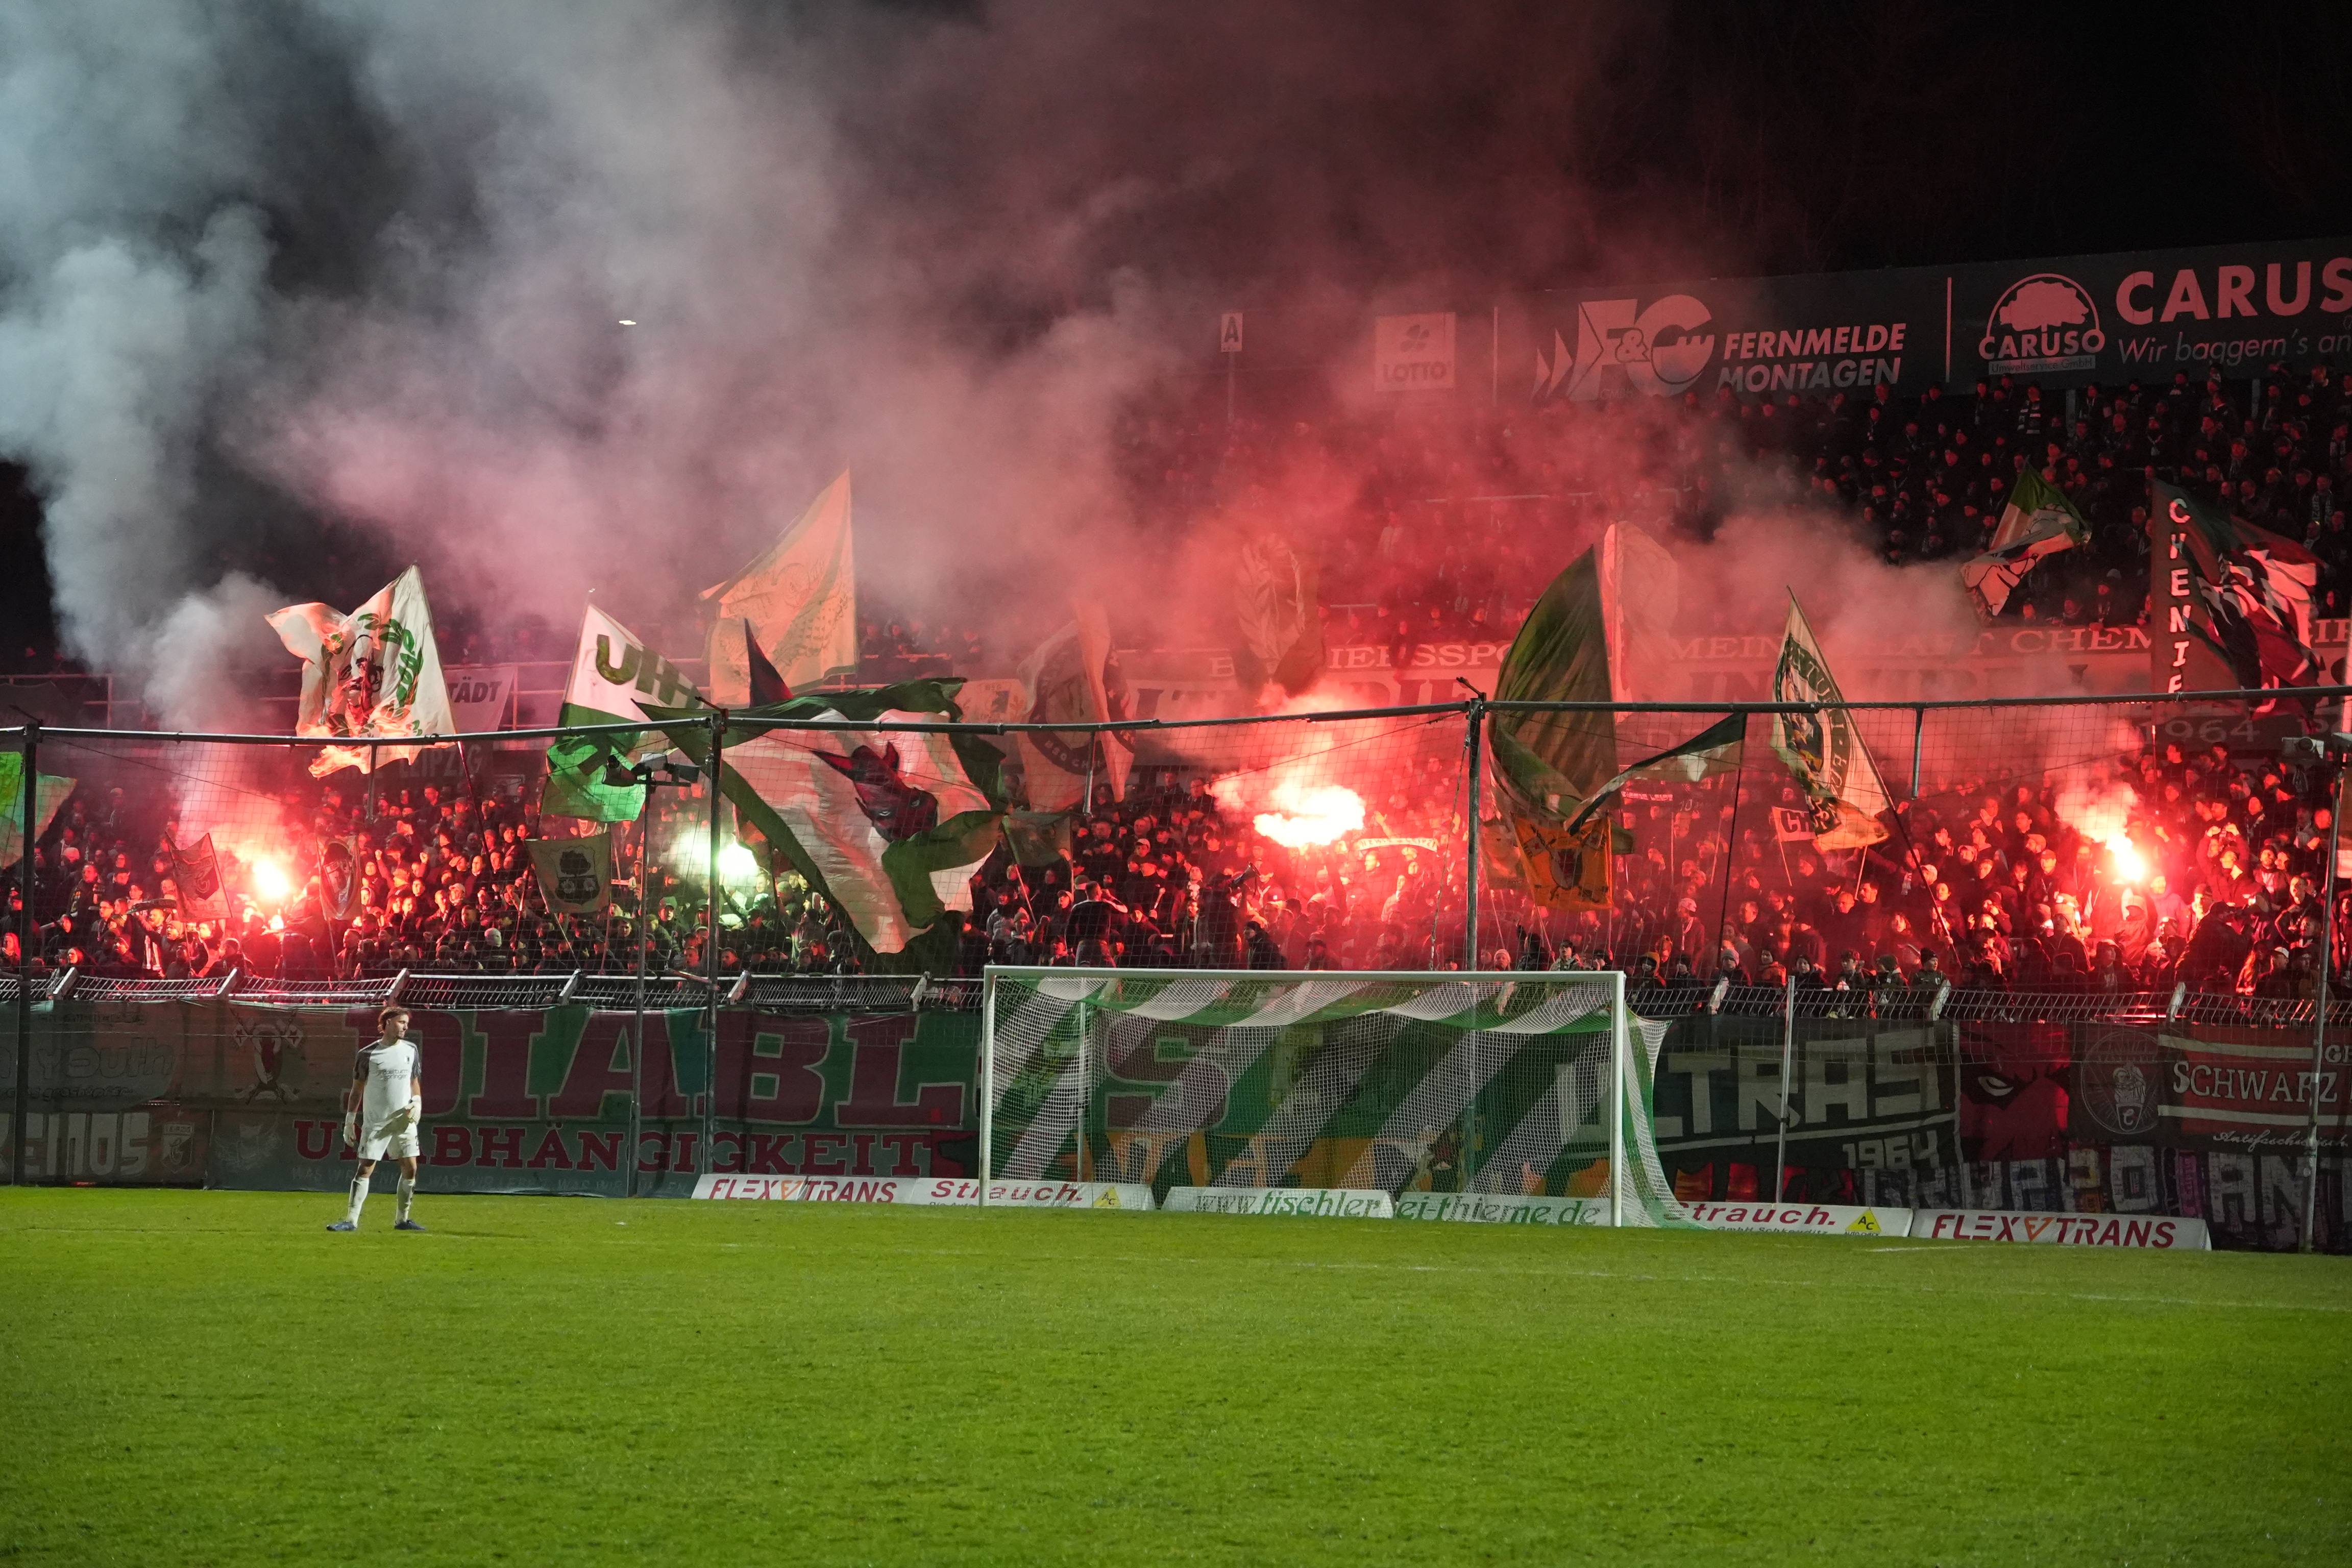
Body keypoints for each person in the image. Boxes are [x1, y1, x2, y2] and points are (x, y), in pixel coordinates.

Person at [329, 1006, 425, 1233]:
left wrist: (418, 1102)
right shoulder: (367, 1054)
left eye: (406, 1024)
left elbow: (414, 1081)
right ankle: (351, 1221)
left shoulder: (410, 1050)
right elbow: (356, 1091)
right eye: (402, 1022)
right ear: (388, 1023)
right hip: (376, 1123)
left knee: (410, 1169)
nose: (405, 1027)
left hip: (404, 1122)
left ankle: (402, 1220)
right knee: (365, 1168)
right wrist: (350, 1121)